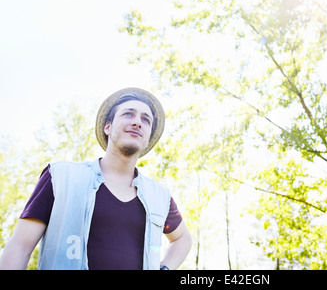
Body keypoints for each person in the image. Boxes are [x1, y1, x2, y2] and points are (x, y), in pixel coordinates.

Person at [0, 87, 192, 270]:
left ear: (148, 137)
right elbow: (20, 247)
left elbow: (182, 238)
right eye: (128, 114)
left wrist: (165, 267)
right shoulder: (61, 177)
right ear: (107, 127)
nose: (137, 122)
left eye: (146, 119)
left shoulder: (159, 196)